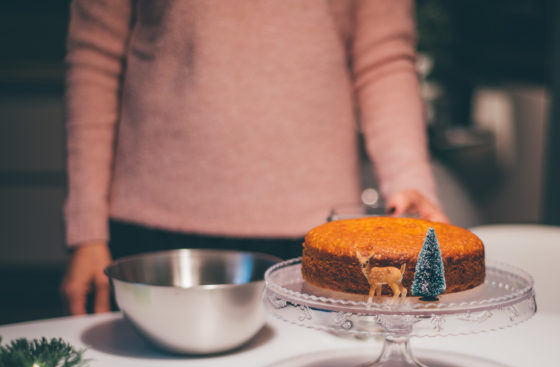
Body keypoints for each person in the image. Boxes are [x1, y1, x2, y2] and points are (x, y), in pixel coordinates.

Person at [60, 0, 449, 315]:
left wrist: (408, 181)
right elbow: (95, 55)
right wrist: (87, 230)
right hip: (150, 233)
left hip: (315, 234)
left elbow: (383, 57)